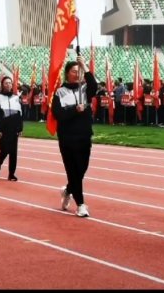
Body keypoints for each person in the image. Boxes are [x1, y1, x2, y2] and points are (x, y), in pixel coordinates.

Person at [52, 55, 97, 218]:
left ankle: (68, 190)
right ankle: (80, 204)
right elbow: (58, 114)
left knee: (81, 169)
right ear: (67, 73)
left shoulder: (85, 89)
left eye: (79, 71)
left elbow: (94, 86)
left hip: (84, 135)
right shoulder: (59, 92)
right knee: (73, 171)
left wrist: (84, 66)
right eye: (73, 71)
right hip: (67, 138)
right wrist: (74, 110)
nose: (77, 74)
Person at [0, 76, 23, 181]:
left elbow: (20, 113)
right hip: (3, 128)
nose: (8, 85)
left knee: (13, 152)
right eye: (6, 83)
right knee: (4, 150)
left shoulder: (16, 98)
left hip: (14, 127)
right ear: (2, 85)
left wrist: (20, 128)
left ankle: (11, 174)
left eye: (10, 83)